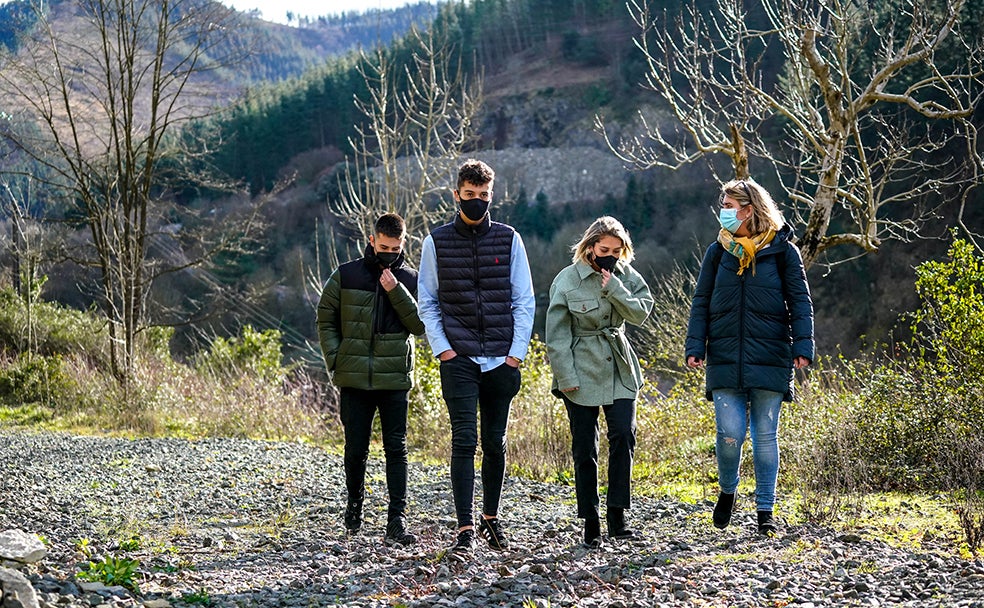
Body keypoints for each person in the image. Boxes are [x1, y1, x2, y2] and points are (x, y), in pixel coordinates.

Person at [417, 159, 536, 554]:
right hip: (459, 358)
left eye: (483, 196)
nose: (477, 201)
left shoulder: (509, 238)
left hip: (502, 358)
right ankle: (465, 527)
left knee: (496, 442)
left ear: (491, 196)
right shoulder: (435, 242)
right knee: (463, 441)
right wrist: (444, 350)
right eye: (469, 195)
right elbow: (428, 302)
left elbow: (524, 300)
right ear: (456, 195)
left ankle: (491, 518)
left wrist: (516, 355)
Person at [685, 178, 814, 534]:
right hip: (725, 354)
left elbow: (800, 301)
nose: (723, 212)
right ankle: (728, 491)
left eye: (728, 206)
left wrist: (804, 345)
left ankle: (765, 512)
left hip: (772, 353)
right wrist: (695, 345)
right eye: (723, 205)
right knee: (729, 434)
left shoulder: (784, 251)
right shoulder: (718, 252)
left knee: (765, 436)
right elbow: (701, 301)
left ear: (749, 209)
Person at [316, 213, 425, 546]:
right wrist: (337, 359)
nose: (389, 252)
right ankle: (354, 510)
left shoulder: (411, 278)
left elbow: (419, 326)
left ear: (403, 243)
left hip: (394, 378)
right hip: (355, 379)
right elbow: (325, 317)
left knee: (397, 450)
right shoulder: (346, 274)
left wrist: (396, 292)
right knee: (355, 449)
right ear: (372, 240)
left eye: (394, 247)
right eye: (383, 246)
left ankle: (397, 520)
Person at [545, 216, 654, 547]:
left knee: (624, 434)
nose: (610, 255)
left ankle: (618, 517)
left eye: (617, 251)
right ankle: (590, 521)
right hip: (580, 367)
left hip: (620, 365)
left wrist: (616, 288)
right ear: (590, 245)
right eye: (604, 249)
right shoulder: (566, 280)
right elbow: (556, 335)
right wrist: (565, 376)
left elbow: (640, 313)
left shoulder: (627, 275)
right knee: (584, 448)